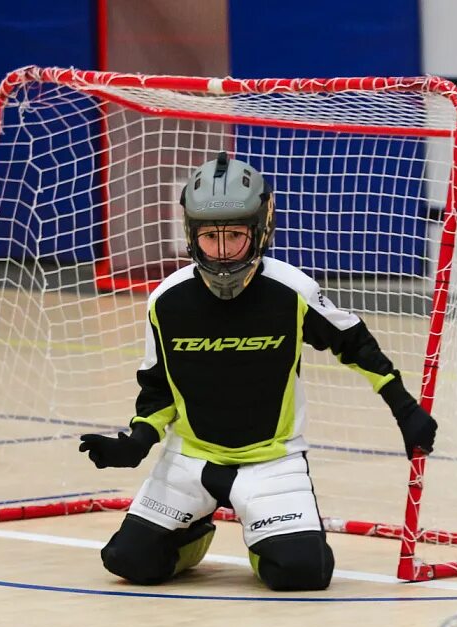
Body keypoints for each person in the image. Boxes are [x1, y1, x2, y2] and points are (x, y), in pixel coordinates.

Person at [78, 152, 436, 591]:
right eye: (210, 237)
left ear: (262, 228)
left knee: (303, 572)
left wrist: (404, 410)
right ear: (191, 234)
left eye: (235, 235)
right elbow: (157, 391)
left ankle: (262, 532)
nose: (223, 252)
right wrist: (138, 440)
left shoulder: (293, 291)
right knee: (129, 562)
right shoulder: (165, 301)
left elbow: (355, 344)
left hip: (272, 461)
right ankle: (195, 529)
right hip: (190, 458)